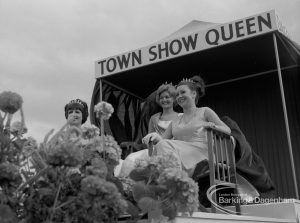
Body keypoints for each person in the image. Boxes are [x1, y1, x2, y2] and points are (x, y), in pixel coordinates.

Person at [143, 75, 231, 177]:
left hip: (201, 155)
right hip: (181, 155)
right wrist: (153, 137)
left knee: (164, 147)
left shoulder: (205, 111)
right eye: (177, 94)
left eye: (183, 92)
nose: (179, 96)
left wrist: (214, 127)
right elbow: (162, 142)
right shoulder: (175, 120)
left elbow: (227, 130)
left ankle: (174, 181)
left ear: (193, 94)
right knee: (161, 146)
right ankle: (173, 179)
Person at [117, 83, 179, 177]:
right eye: (161, 97)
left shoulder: (180, 117)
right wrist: (149, 143)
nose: (164, 100)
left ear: (174, 99)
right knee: (130, 159)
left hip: (172, 153)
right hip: (153, 151)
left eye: (167, 97)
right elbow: (149, 139)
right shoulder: (154, 118)